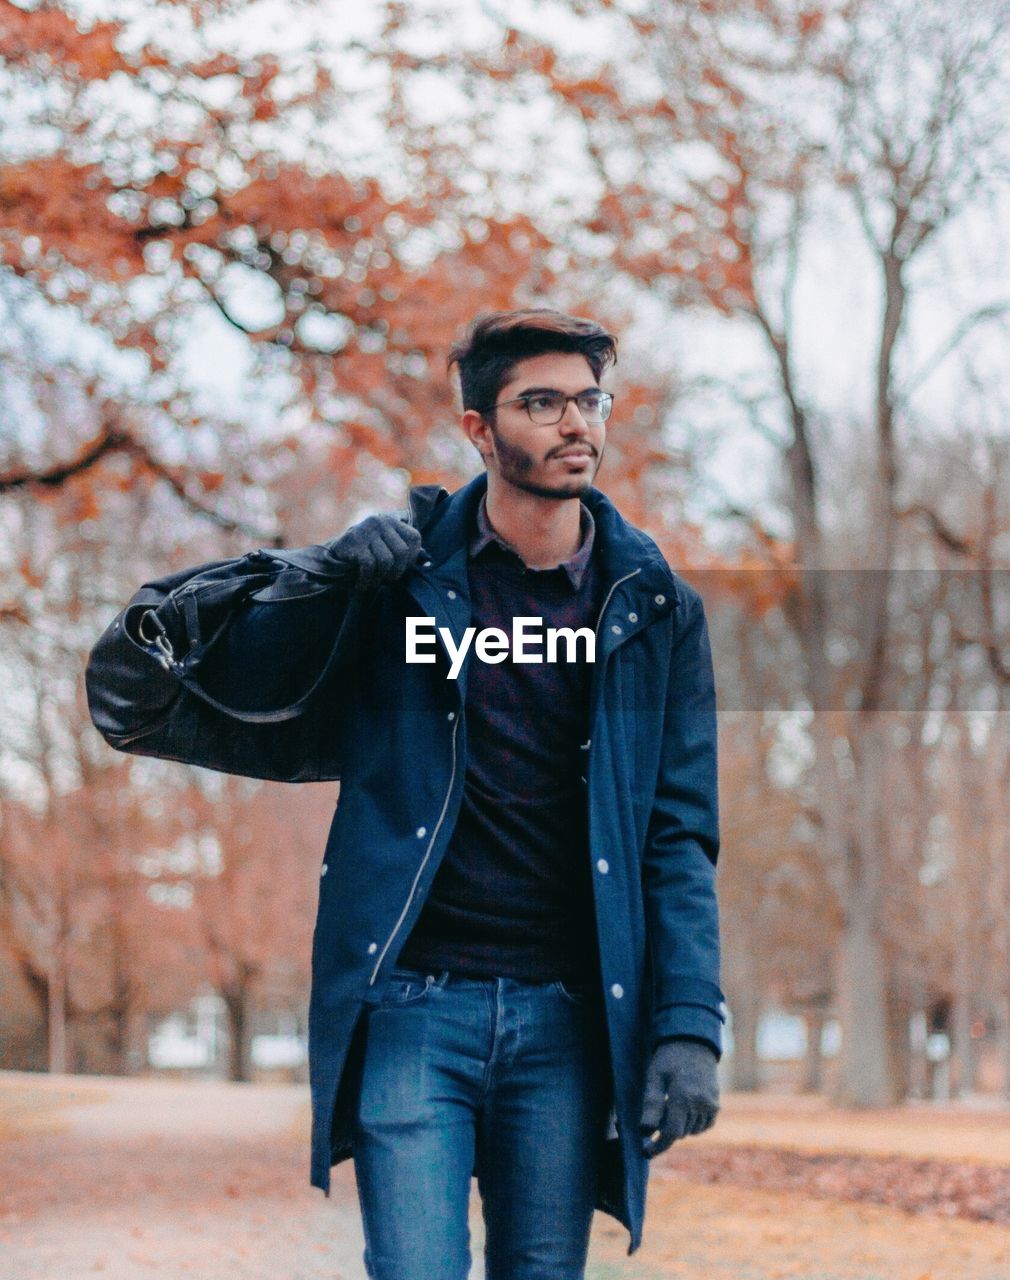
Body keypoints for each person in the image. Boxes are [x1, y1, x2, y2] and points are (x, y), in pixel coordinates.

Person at [86, 308, 725, 1280]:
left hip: (568, 1019)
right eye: (540, 401)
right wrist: (322, 581)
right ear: (478, 429)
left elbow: (676, 835)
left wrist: (686, 1023)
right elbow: (150, 674)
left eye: (588, 398)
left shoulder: (652, 608)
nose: (573, 424)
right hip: (417, 1013)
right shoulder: (401, 580)